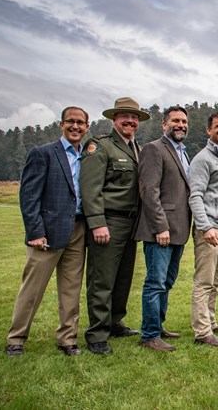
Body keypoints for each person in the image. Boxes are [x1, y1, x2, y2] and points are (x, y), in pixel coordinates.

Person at [5, 107, 89, 357]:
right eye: (71, 122)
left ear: (87, 127)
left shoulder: (89, 156)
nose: (76, 127)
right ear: (62, 124)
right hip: (47, 232)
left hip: (78, 229)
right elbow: (29, 196)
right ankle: (16, 339)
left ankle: (67, 339)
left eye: (80, 123)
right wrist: (35, 231)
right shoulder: (43, 153)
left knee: (71, 289)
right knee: (32, 289)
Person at [80, 97, 150, 354]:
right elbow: (90, 189)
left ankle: (114, 322)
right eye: (124, 116)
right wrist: (97, 223)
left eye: (134, 118)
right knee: (102, 279)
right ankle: (97, 334)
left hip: (132, 223)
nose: (130, 121)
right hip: (109, 221)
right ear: (114, 119)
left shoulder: (137, 149)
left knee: (123, 278)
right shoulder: (100, 147)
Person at [134, 106, 191, 352]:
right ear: (164, 124)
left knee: (167, 281)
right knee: (155, 282)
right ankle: (149, 334)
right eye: (175, 120)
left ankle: (159, 325)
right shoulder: (154, 149)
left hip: (179, 229)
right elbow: (149, 190)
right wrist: (160, 227)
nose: (180, 124)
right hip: (161, 230)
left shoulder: (183, 152)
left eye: (184, 121)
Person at [189, 112, 218, 347]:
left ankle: (211, 321)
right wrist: (205, 226)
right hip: (210, 230)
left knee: (216, 281)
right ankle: (202, 331)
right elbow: (195, 196)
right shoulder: (203, 159)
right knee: (204, 281)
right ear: (209, 130)